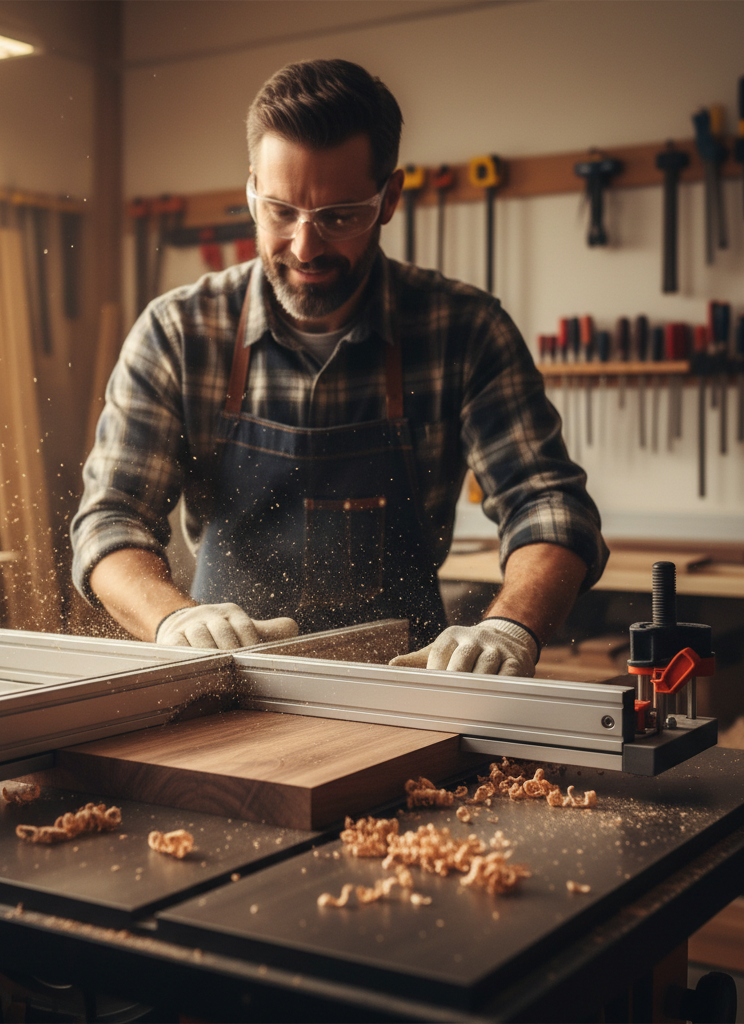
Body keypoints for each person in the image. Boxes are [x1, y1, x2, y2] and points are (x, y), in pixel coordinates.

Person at [71, 58, 608, 677]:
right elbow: (110, 520)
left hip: (407, 684)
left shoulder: (464, 331)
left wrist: (510, 627)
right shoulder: (179, 333)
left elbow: (548, 507)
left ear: (389, 199)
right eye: (280, 211)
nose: (305, 246)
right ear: (251, 192)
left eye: (339, 216)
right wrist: (172, 620)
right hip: (229, 680)